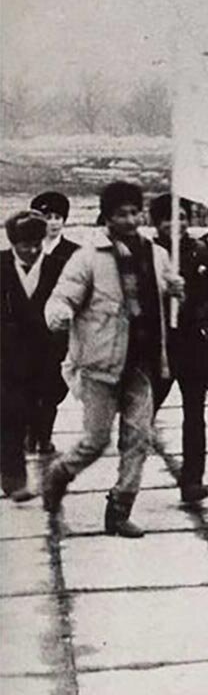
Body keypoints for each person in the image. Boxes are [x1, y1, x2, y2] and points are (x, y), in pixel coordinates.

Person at [41, 181, 182, 537]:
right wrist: (58, 314)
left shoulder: (158, 253)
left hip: (141, 363)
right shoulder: (88, 257)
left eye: (136, 212)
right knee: (96, 440)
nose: (131, 220)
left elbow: (167, 287)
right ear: (107, 217)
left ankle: (119, 510)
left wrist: (176, 287)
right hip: (100, 365)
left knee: (139, 438)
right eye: (122, 213)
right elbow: (63, 297)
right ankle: (59, 474)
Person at [147, 194, 208, 502]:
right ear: (155, 222)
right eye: (167, 218)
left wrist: (206, 322)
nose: (175, 225)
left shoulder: (203, 254)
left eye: (182, 217)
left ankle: (193, 479)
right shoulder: (145, 255)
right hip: (158, 347)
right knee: (142, 412)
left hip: (193, 346)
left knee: (195, 415)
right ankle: (128, 478)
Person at [1, 212, 54, 500]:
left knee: (37, 411)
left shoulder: (56, 267)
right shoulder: (1, 266)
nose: (33, 251)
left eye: (37, 244)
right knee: (10, 414)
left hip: (43, 356)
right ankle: (13, 478)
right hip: (5, 358)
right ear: (13, 243)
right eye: (25, 245)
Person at [28, 190, 79, 454]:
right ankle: (31, 433)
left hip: (58, 332)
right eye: (48, 217)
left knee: (53, 385)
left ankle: (43, 435)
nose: (54, 222)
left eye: (58, 216)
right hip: (25, 331)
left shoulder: (74, 253)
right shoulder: (24, 251)